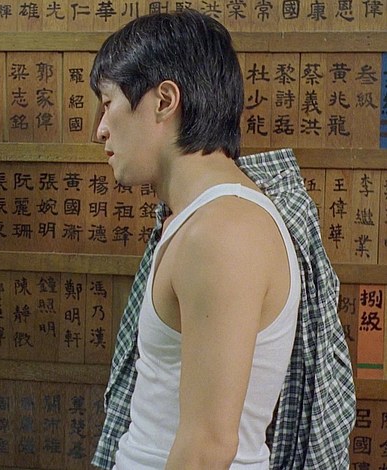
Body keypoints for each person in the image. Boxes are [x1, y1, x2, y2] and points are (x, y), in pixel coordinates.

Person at [88, 11, 355, 470]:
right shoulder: (197, 218)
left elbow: (208, 446)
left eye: (108, 102)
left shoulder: (223, 231)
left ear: (164, 100)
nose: (100, 130)